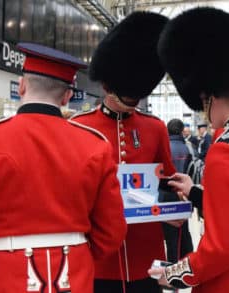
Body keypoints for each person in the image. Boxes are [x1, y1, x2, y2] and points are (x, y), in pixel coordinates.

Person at [0, 43, 127, 292]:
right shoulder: (95, 145)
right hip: (73, 271)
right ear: (67, 96)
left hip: (3, 274)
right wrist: (79, 249)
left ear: (22, 86)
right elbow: (112, 230)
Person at [148, 7, 229, 292]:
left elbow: (221, 249)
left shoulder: (225, 149)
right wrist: (195, 191)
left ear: (209, 98)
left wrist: (174, 273)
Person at [72, 11, 177, 293]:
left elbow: (168, 182)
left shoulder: (155, 128)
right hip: (100, 257)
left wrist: (173, 208)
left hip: (145, 253)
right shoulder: (78, 128)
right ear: (107, 85)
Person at [162, 119, 193, 264]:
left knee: (170, 236)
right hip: (184, 195)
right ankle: (184, 266)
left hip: (166, 195)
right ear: (181, 131)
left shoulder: (164, 147)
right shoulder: (188, 148)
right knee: (183, 232)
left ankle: (171, 267)